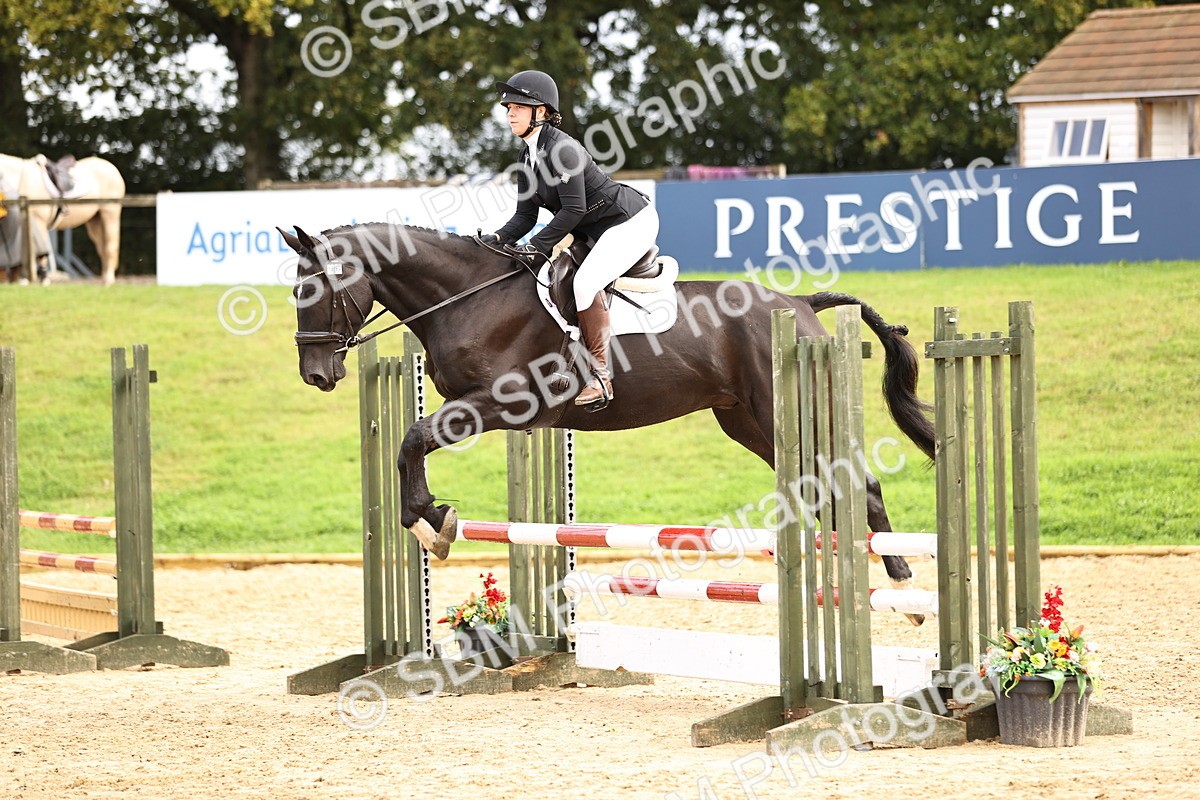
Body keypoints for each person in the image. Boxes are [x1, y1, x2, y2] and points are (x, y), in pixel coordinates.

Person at [481, 70, 660, 410]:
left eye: (520, 106)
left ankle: (602, 376)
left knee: (585, 283)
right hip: (595, 230)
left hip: (628, 222)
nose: (510, 113)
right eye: (508, 108)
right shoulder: (526, 157)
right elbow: (525, 217)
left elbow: (574, 209)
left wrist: (536, 247)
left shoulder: (563, 149)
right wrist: (496, 239)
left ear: (543, 112)